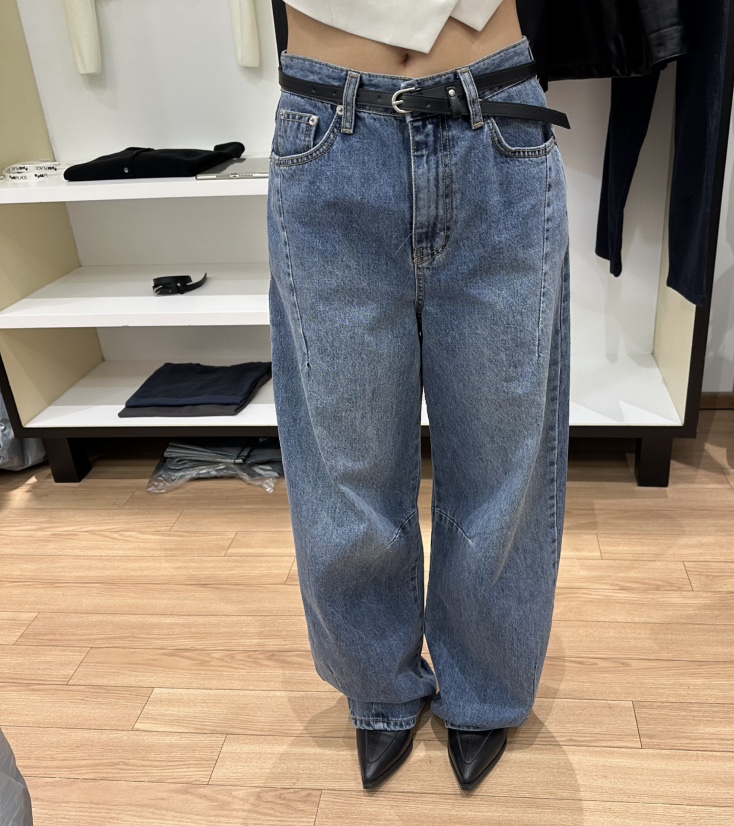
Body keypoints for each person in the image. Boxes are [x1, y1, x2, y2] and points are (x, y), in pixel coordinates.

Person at [268, 0, 570, 791]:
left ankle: (485, 684)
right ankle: (377, 685)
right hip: (328, 134)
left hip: (495, 127)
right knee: (346, 460)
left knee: (503, 456)